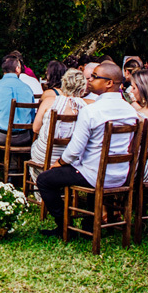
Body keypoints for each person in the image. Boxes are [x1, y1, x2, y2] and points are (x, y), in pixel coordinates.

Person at [35, 62, 141, 236]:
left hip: (94, 175)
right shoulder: (131, 111)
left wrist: (59, 162)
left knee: (45, 179)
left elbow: (74, 150)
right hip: (122, 174)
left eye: (95, 77)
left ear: (109, 83)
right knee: (85, 166)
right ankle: (89, 222)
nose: (90, 80)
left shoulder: (92, 111)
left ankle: (64, 226)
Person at [29, 69, 88, 186]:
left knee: (35, 145)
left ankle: (41, 188)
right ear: (82, 89)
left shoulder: (49, 101)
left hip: (44, 155)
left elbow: (35, 128)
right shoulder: (85, 107)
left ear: (63, 84)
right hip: (71, 160)